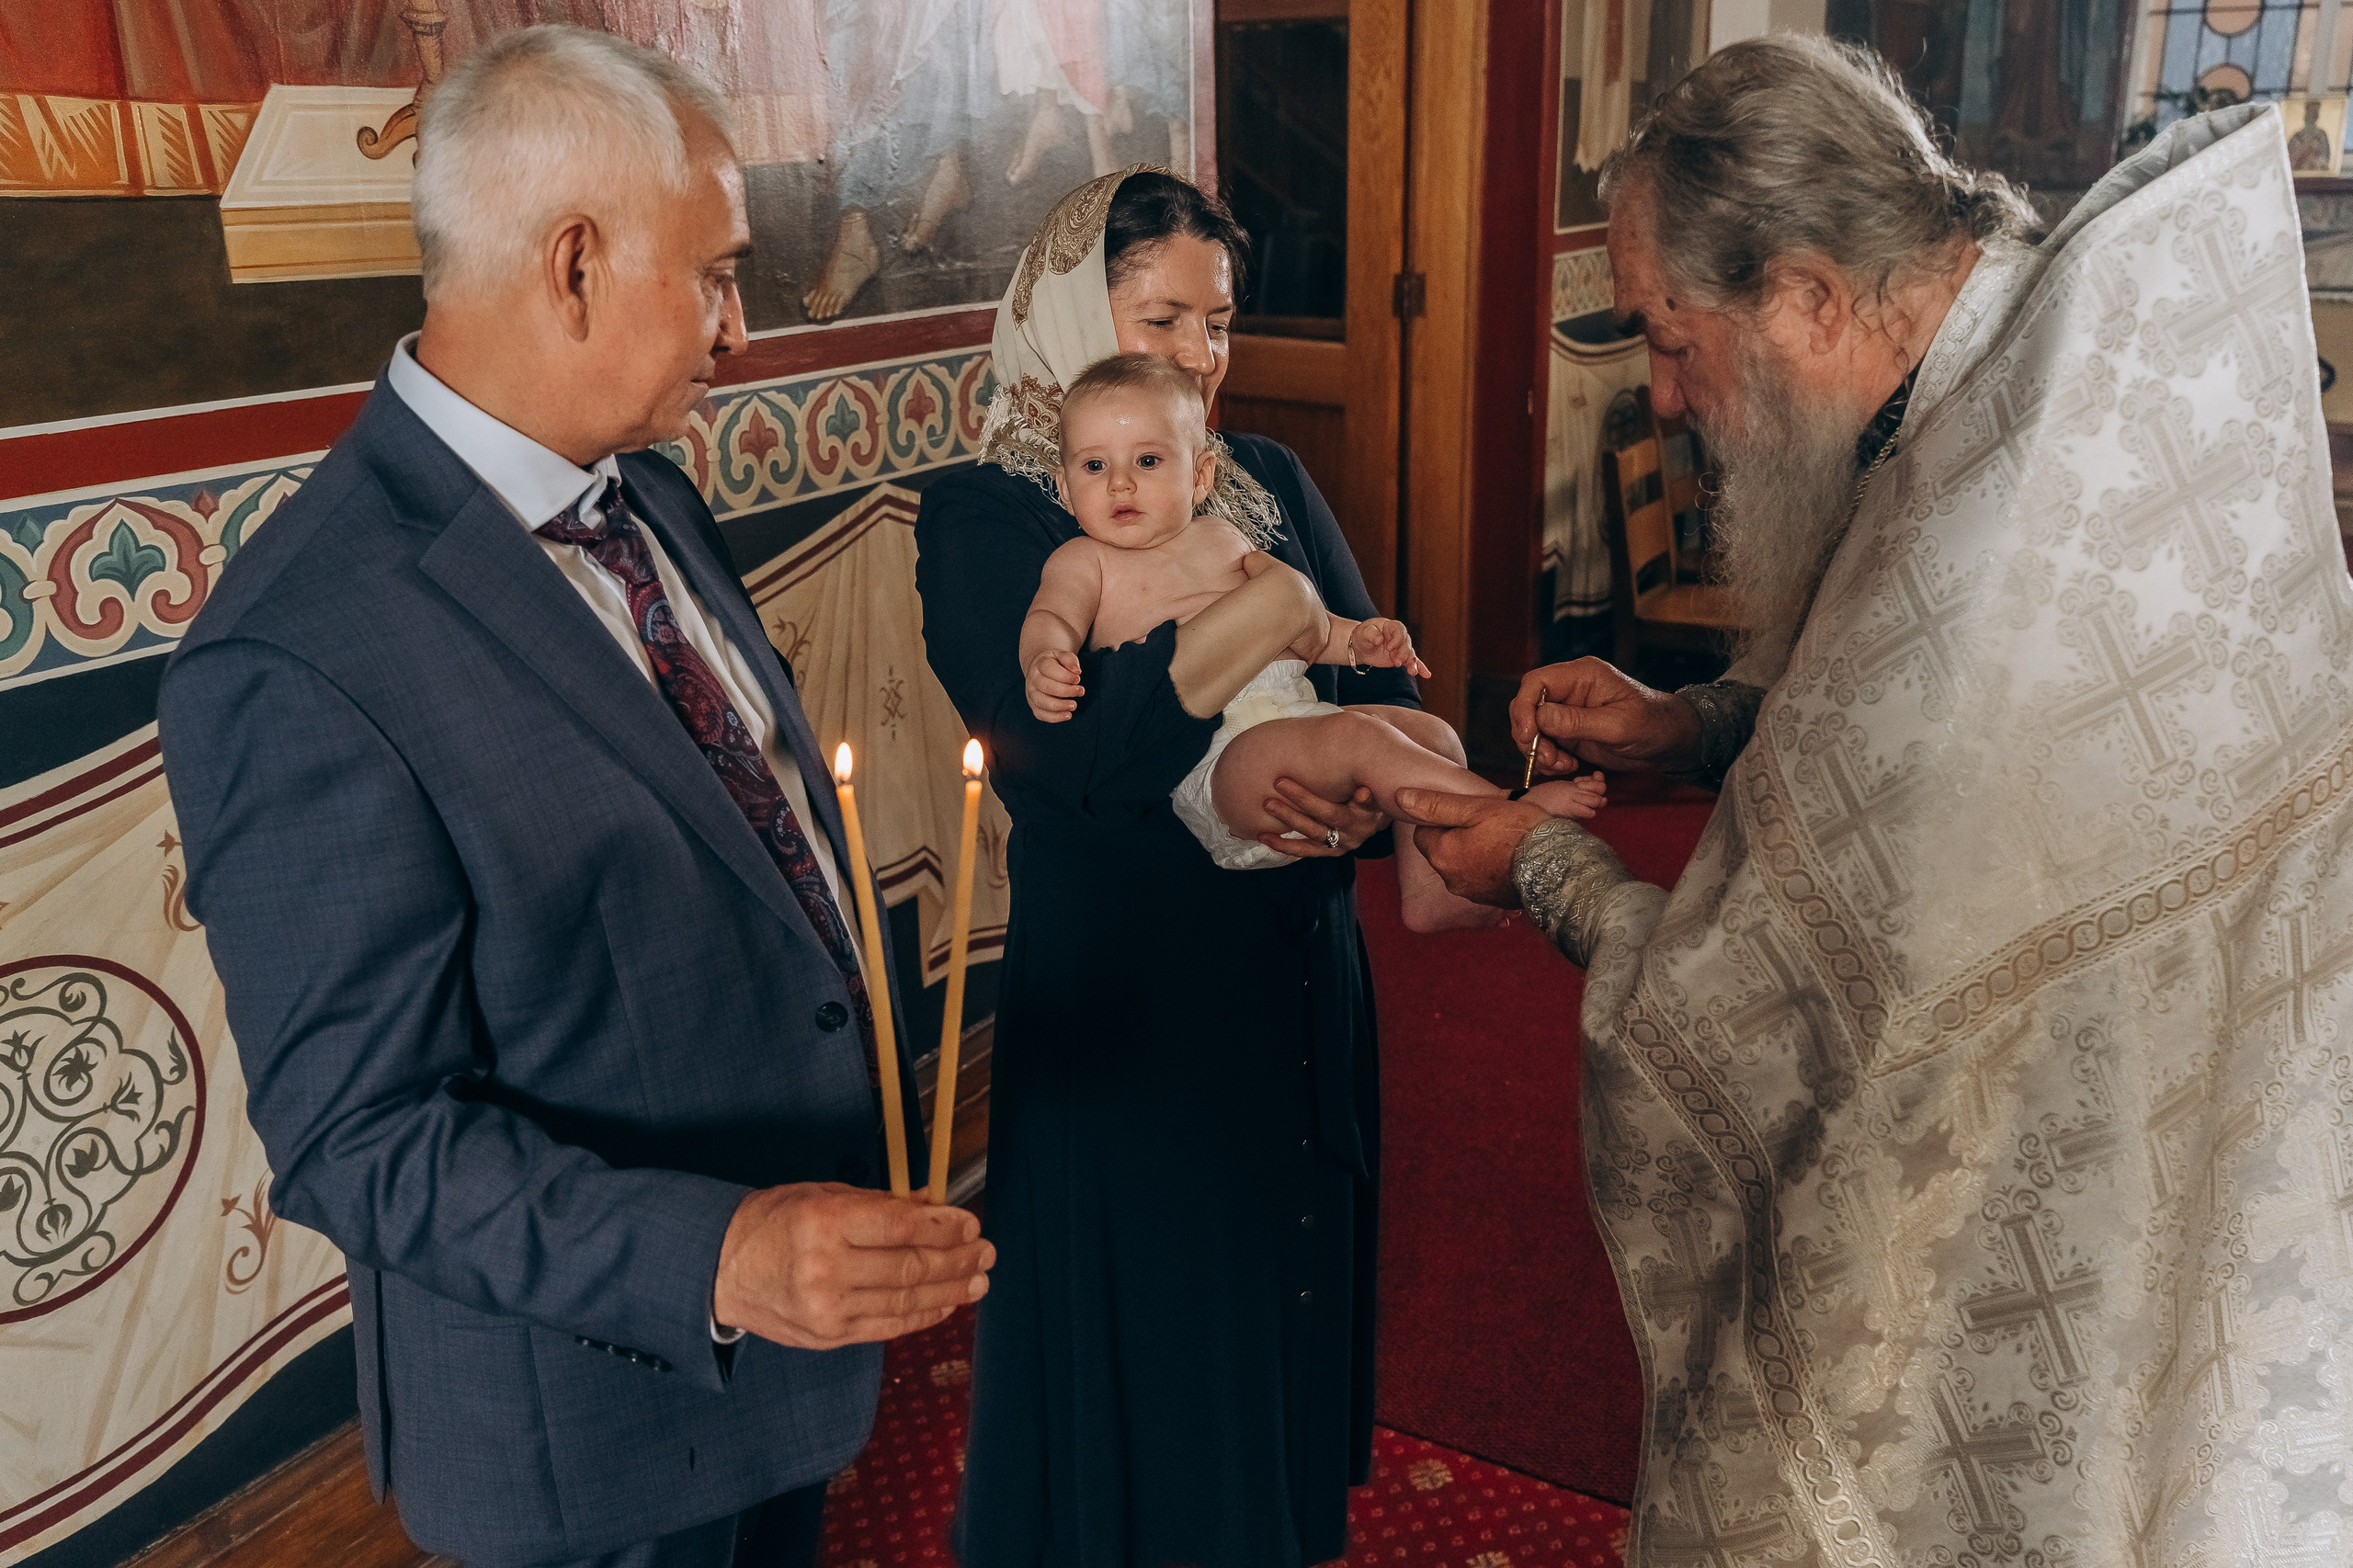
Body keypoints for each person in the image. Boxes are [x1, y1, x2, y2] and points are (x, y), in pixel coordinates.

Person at [1401, 38, 2353, 1564]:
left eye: (1666, 336)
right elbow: (1882, 741)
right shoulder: (2018, 379)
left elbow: (1743, 1029)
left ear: (1808, 299)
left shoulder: (1975, 554)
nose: (1659, 395)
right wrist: (1693, 727)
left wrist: (1547, 870)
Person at [156, 28, 992, 1568]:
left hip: (778, 1376)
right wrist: (722, 1257)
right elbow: (365, 1137)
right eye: (717, 273)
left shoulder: (648, 496)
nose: (737, 330)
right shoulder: (296, 653)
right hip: (590, 1444)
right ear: (577, 267)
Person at [915, 167, 1388, 1566]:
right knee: (1154, 1365)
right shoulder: (992, 518)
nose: (1197, 354)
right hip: (1133, 997)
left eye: (1220, 322)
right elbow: (1077, 765)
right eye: (1162, 315)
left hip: (1300, 964)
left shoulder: (1266, 480)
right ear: (1073, 312)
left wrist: (1361, 773)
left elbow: (1354, 665)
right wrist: (1272, 616)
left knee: (1281, 1312)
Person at [1023, 351, 1604, 928]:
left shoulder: (1223, 539)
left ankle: (1431, 895)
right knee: (1355, 734)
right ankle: (1510, 818)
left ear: (1200, 476)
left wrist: (1356, 642)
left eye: (1147, 460)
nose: (1120, 483)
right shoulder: (1085, 562)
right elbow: (1052, 618)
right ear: (1066, 489)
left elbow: (1303, 630)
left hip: (1299, 719)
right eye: (1094, 467)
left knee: (1432, 734)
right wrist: (1043, 661)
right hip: (1218, 759)